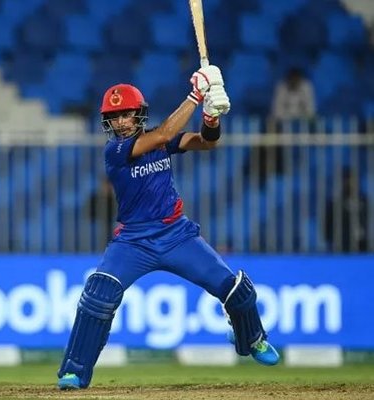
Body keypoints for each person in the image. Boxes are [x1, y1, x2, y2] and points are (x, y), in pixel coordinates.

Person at [56, 66, 280, 391]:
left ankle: (253, 338)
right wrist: (195, 94)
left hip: (177, 235)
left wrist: (211, 119)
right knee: (98, 295)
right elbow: (162, 136)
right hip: (133, 241)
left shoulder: (159, 140)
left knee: (233, 289)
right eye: (114, 117)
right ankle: (74, 372)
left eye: (126, 114)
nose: (121, 122)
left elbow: (206, 143)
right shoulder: (115, 151)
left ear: (139, 114)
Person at [323, 168, 370, 252]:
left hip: (362, 244)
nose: (351, 183)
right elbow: (327, 224)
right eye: (348, 180)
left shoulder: (365, 201)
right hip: (341, 244)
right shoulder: (334, 202)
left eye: (353, 180)